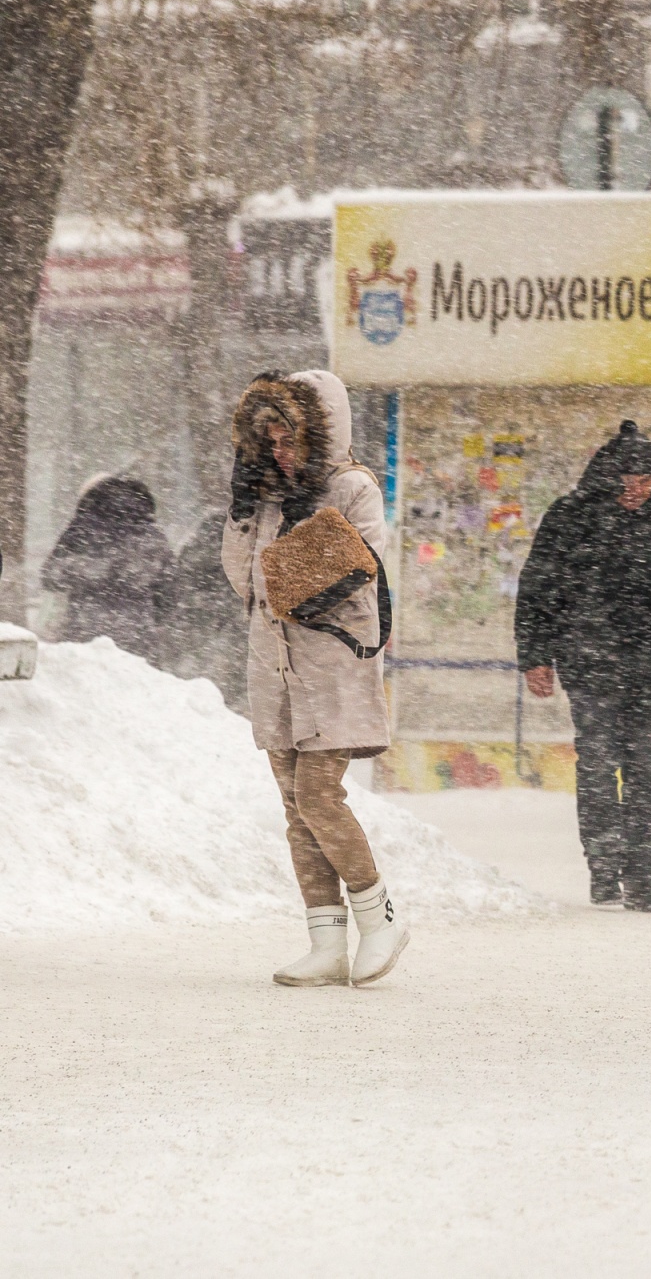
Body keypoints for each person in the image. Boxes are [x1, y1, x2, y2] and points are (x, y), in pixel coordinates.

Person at [223, 369, 409, 987]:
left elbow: (354, 571)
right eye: (270, 441)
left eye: (289, 439)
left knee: (319, 797)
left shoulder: (352, 487)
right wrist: (243, 511)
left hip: (332, 668)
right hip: (273, 668)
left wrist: (300, 537)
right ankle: (325, 938)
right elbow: (246, 583)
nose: (279, 453)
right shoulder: (269, 494)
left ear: (319, 433)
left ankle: (378, 916)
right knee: (294, 808)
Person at [514, 421, 651, 911]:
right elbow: (538, 590)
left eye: (644, 480)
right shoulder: (571, 517)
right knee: (596, 764)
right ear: (608, 474)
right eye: (625, 480)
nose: (635, 490)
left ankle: (640, 874)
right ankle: (602, 865)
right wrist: (534, 655)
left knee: (647, 770)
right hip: (589, 662)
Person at [41, 475, 173, 658]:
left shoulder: (82, 528)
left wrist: (90, 574)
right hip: (138, 636)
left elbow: (51, 576)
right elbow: (169, 590)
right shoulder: (153, 534)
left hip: (85, 630)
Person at [161, 509, 250, 713]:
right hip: (231, 625)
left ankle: (192, 709)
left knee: (192, 675)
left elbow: (177, 582)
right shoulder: (244, 550)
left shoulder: (195, 547)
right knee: (230, 678)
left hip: (195, 622)